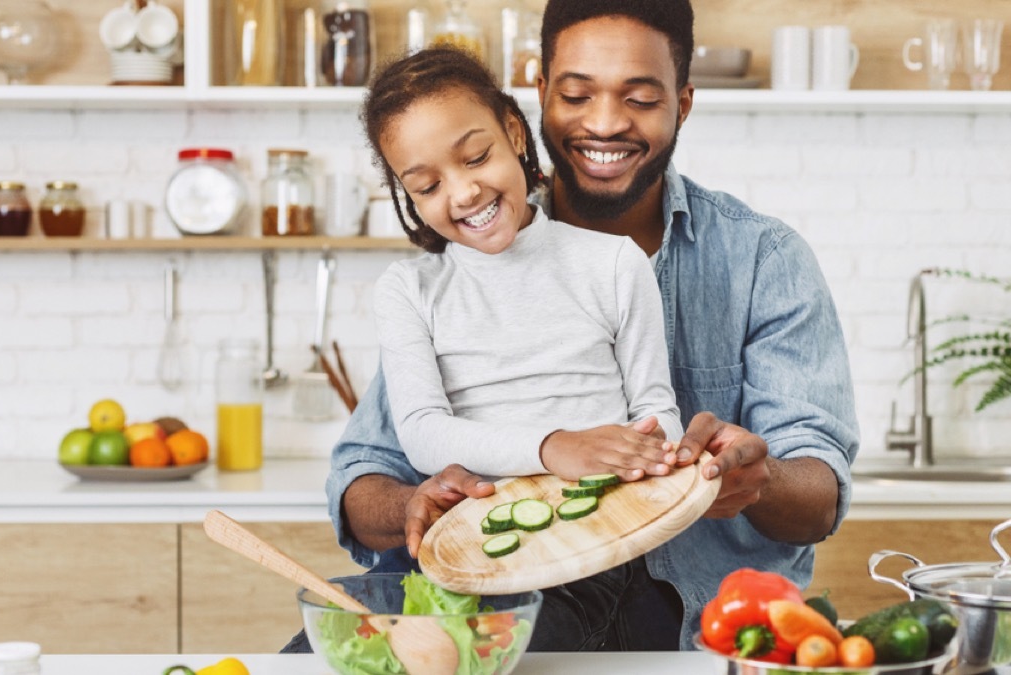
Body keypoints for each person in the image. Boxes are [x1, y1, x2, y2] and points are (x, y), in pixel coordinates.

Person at [320, 0, 859, 653]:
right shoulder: (437, 280)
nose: (605, 122)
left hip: (693, 619)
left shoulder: (759, 260)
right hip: (487, 589)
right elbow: (366, 475)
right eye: (577, 94)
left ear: (682, 103)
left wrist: (758, 477)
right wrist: (414, 506)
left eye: (639, 97)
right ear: (539, 97)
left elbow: (819, 493)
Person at [366, 46, 683, 482]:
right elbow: (422, 434)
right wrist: (552, 448)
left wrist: (649, 450)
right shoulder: (407, 290)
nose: (462, 194)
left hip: (613, 522)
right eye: (427, 186)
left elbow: (657, 410)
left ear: (514, 133)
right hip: (488, 539)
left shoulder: (614, 264)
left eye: (476, 157)